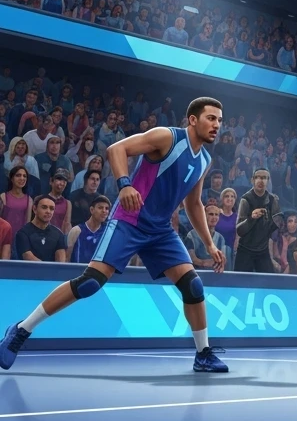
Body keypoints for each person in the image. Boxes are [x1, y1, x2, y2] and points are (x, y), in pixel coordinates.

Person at [1, 96, 229, 373]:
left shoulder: (204, 159)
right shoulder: (166, 137)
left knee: (193, 286)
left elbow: (193, 204)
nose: (217, 125)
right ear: (193, 120)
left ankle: (203, 354)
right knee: (90, 283)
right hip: (130, 220)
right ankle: (21, 330)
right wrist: (124, 184)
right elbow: (117, 149)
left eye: (219, 120)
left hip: (160, 231)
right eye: (211, 118)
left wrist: (209, 243)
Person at [234, 169, 281, 273]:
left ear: (268, 181)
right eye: (258, 177)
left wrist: (275, 221)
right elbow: (239, 230)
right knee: (239, 284)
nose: (261, 180)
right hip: (245, 250)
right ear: (252, 180)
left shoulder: (272, 200)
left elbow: (277, 224)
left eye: (264, 178)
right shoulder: (245, 200)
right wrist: (251, 218)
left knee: (268, 284)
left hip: (263, 250)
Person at [14, 195, 67, 262]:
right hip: (30, 271)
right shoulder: (23, 233)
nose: (48, 211)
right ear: (34, 209)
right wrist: (47, 270)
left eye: (51, 208)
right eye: (44, 207)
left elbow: (61, 262)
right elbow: (27, 256)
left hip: (53, 272)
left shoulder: (58, 234)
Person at [67, 195, 111, 265]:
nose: (104, 211)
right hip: (77, 273)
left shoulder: (108, 232)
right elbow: (67, 257)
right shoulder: (76, 231)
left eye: (107, 208)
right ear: (92, 210)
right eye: (100, 208)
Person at [0, 165, 32, 249]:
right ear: (11, 178)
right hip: (4, 240)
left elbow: (27, 224)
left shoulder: (29, 200)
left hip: (20, 242)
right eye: (18, 175)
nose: (22, 178)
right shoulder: (3, 197)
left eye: (24, 176)